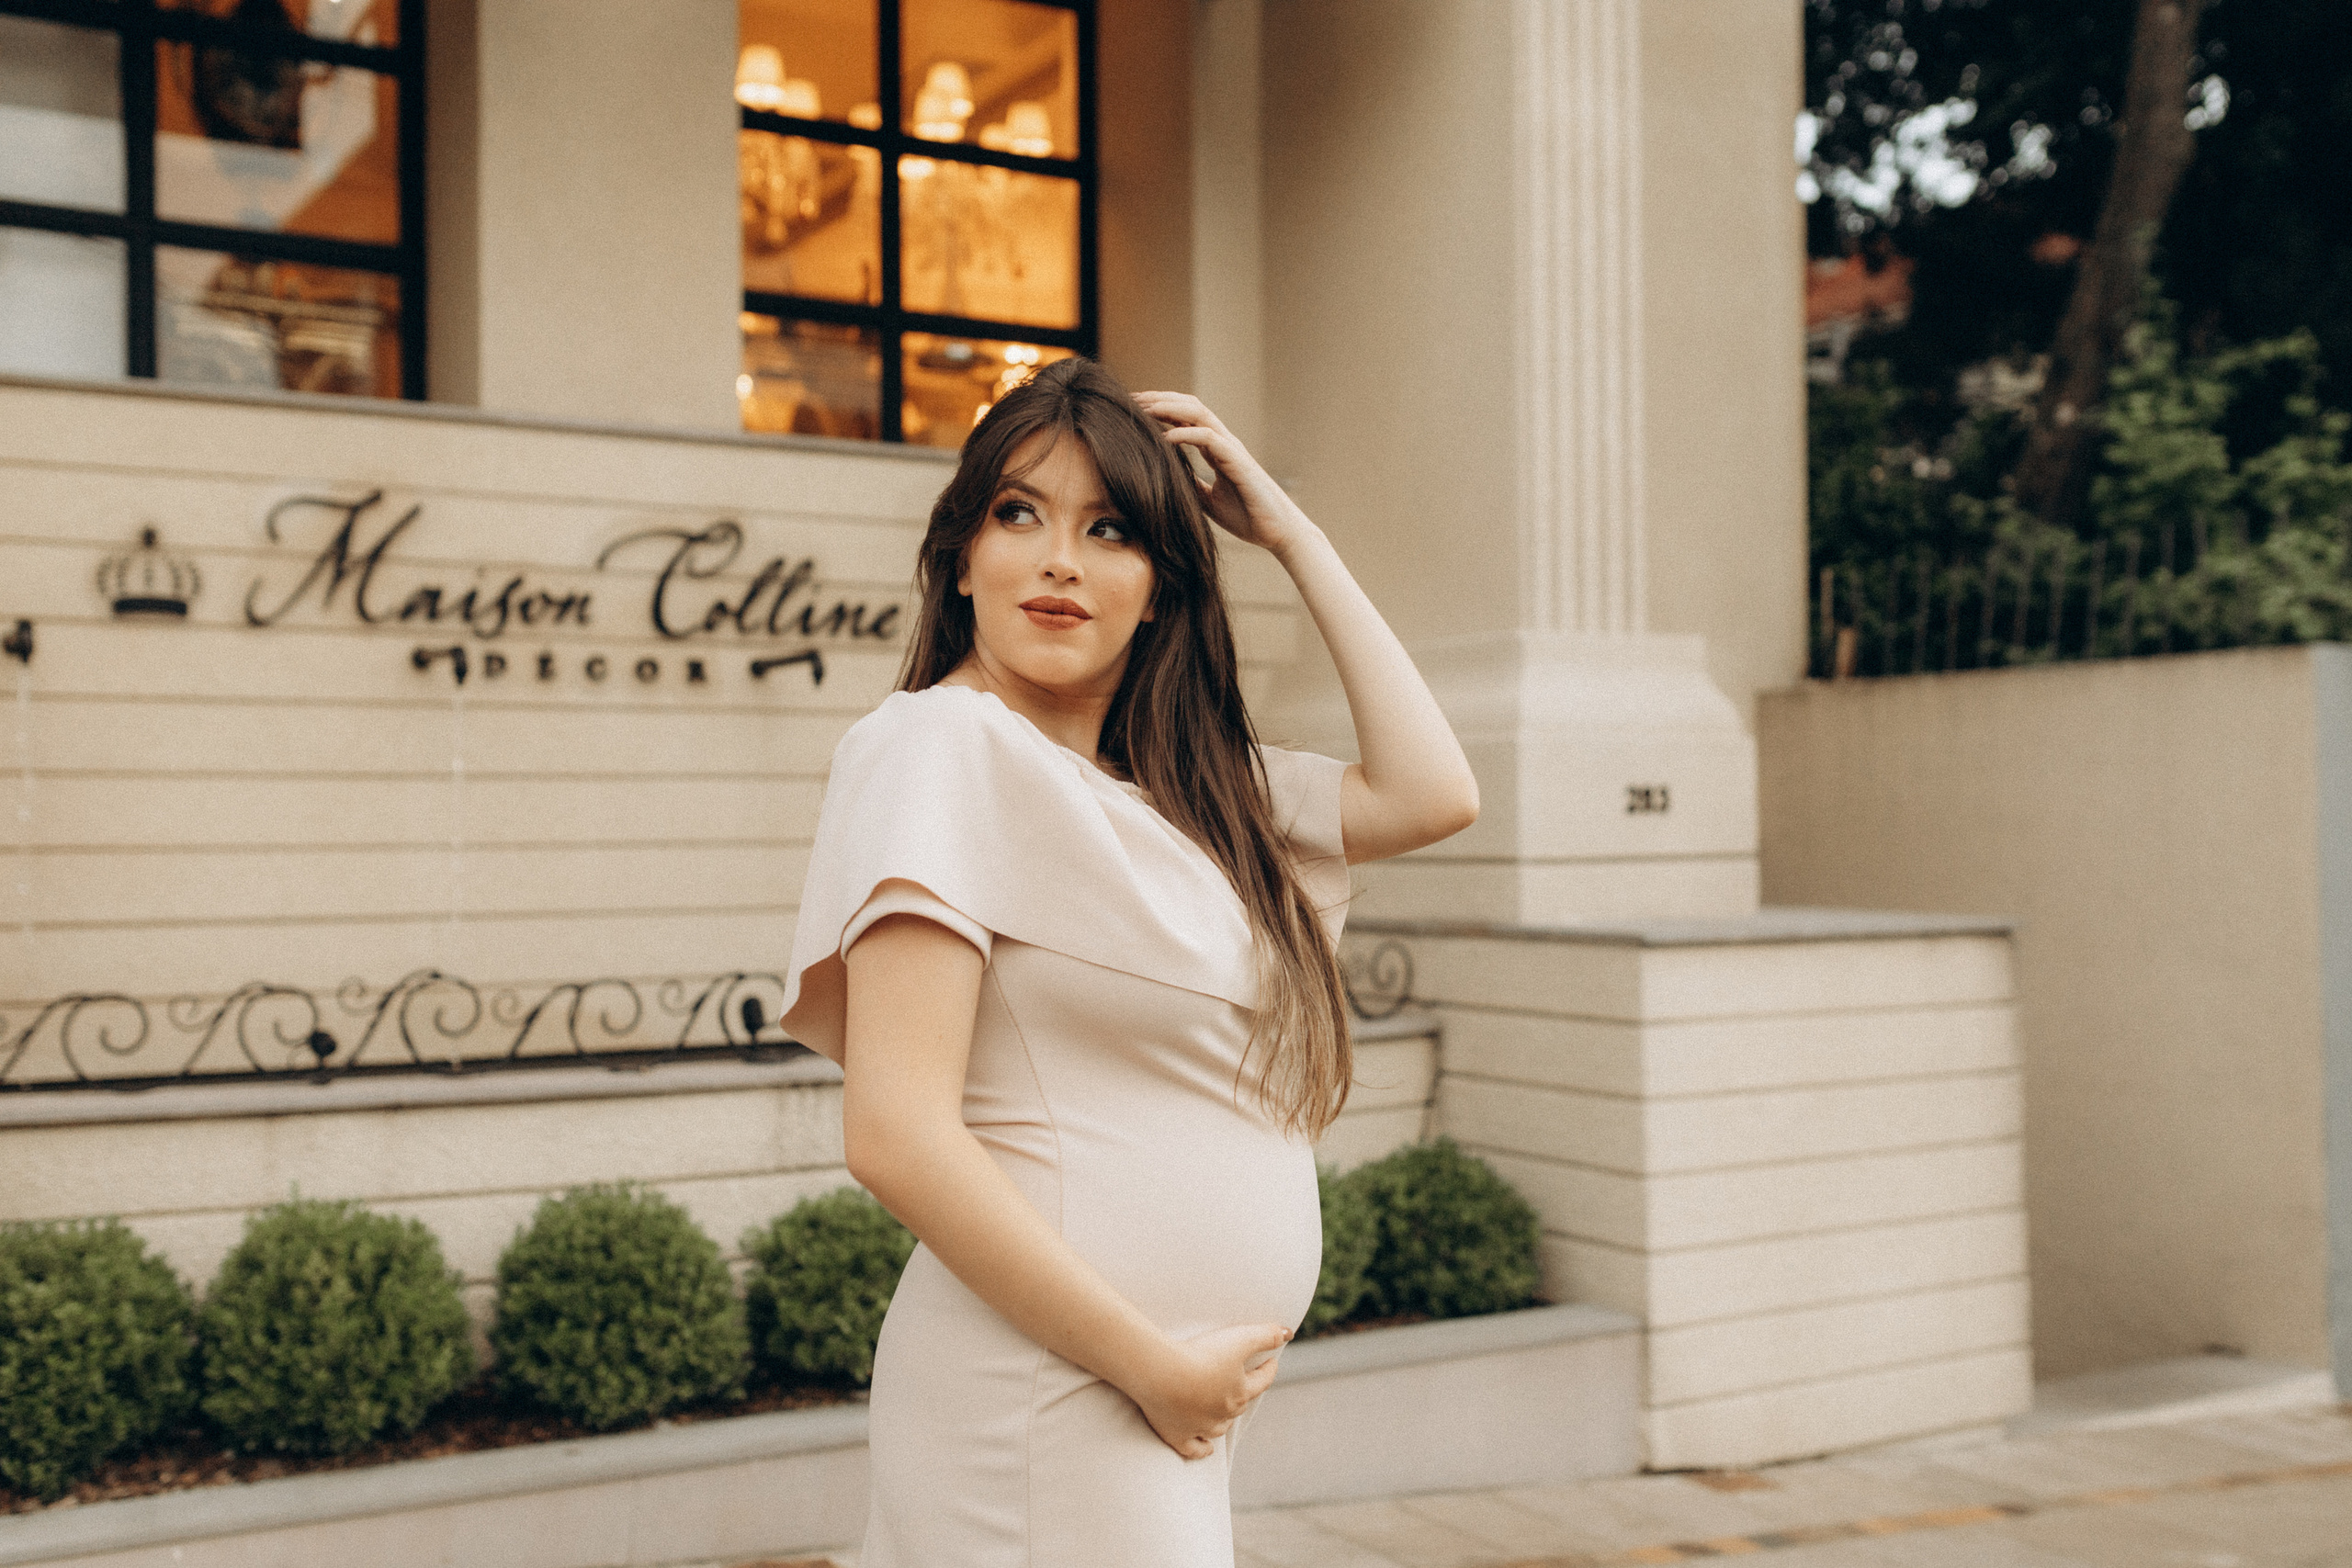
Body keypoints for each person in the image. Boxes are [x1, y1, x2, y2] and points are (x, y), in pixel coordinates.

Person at [777, 357, 1477, 1566]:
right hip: (1053, 1390)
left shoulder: (1189, 796)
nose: (1060, 560)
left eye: (1111, 531)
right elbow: (895, 1134)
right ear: (960, 556)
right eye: (1018, 514)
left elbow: (1433, 791)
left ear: (1160, 588)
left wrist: (1289, 534)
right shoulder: (939, 748)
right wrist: (1156, 1370)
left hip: (1157, 1398)